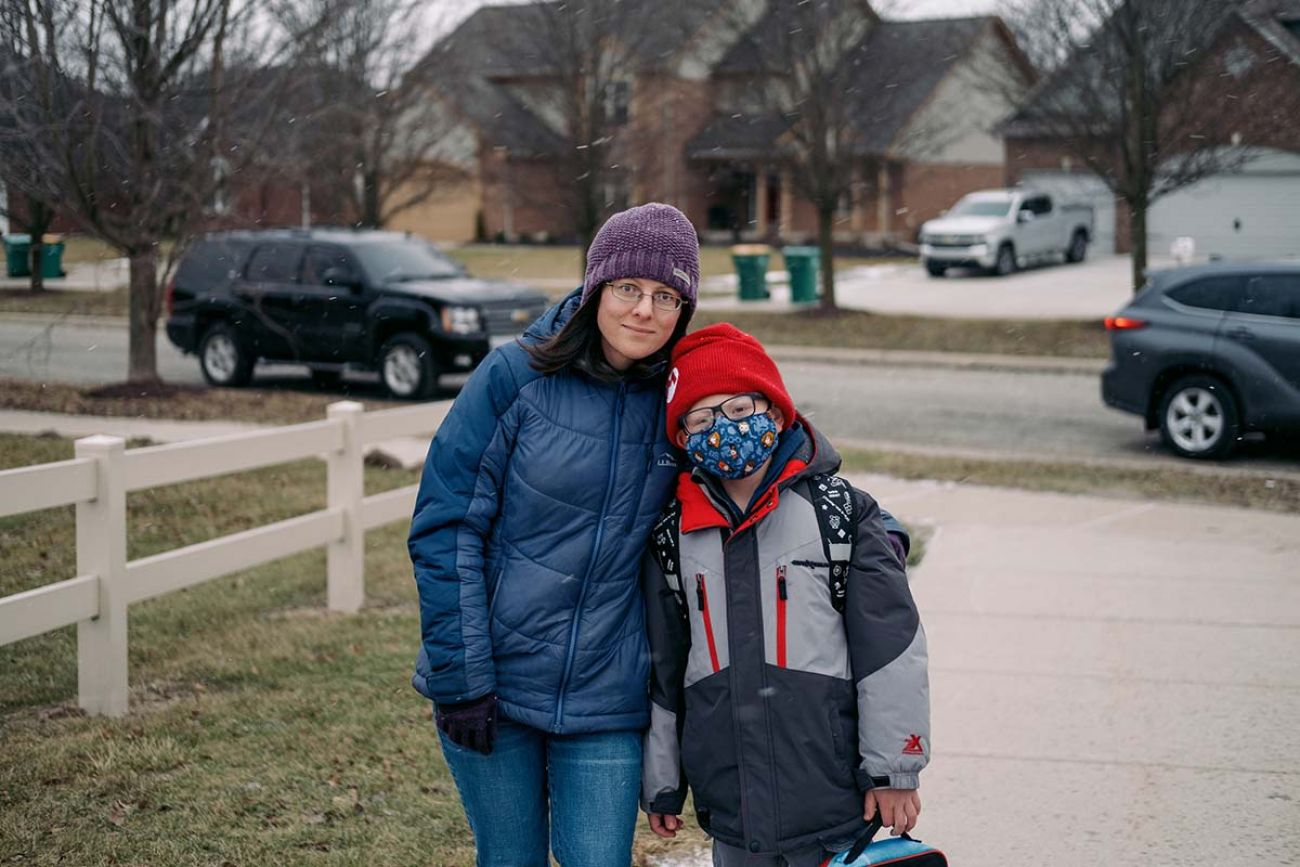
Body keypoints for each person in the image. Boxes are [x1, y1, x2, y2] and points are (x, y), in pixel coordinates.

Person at [407, 203, 701, 867]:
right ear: (596, 287)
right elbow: (446, 527)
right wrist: (462, 679)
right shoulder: (514, 377)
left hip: (608, 692)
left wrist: (866, 524)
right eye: (628, 288)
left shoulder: (683, 401)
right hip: (494, 683)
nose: (644, 311)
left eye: (666, 296)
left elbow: (776, 453)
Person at [641, 324, 931, 867]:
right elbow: (665, 664)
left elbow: (891, 649)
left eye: (735, 410)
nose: (720, 429)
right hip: (733, 807)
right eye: (698, 420)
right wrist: (662, 780)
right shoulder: (673, 533)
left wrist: (893, 769)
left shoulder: (840, 513)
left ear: (774, 413)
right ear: (683, 439)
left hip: (834, 797)